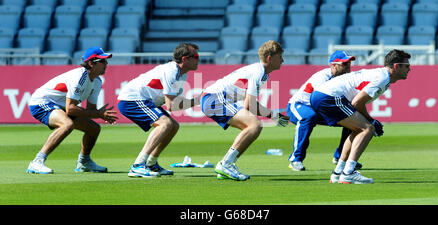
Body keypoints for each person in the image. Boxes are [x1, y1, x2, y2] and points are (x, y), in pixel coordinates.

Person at [310, 49, 411, 184]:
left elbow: (357, 102)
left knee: (359, 129)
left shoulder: (381, 75)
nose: (409, 69)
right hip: (328, 96)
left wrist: (369, 120)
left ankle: (338, 172)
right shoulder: (382, 77)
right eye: (407, 66)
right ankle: (349, 172)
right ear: (396, 66)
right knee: (367, 129)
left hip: (321, 95)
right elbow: (357, 102)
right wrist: (371, 121)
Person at [200, 40, 289, 181]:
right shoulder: (259, 72)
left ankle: (228, 166)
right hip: (215, 99)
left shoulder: (262, 72)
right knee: (254, 125)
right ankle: (226, 164)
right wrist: (274, 115)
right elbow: (250, 106)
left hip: (213, 99)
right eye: (280, 57)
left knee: (251, 126)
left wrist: (274, 115)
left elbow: (251, 104)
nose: (283, 60)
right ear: (270, 58)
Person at [27, 47, 118, 174]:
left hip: (61, 106)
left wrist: (100, 115)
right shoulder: (80, 77)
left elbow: (90, 110)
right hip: (41, 102)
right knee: (67, 125)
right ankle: (37, 162)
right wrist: (98, 113)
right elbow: (70, 109)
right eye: (102, 61)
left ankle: (84, 163)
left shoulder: (97, 81)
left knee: (94, 128)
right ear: (91, 63)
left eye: (106, 61)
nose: (106, 64)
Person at [117, 43, 201, 178]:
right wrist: (196, 101)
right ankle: (137, 165)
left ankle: (151, 163)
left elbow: (175, 103)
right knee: (165, 124)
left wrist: (196, 101)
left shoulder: (181, 74)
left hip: (143, 100)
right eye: (196, 56)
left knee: (173, 126)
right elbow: (171, 105)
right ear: (185, 59)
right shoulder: (172, 71)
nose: (199, 59)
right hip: (130, 99)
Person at [287, 50, 357, 171]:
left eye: (349, 63)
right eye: (345, 64)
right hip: (299, 105)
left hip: (320, 109)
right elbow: (316, 101)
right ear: (334, 65)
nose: (348, 67)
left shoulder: (347, 79)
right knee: (308, 117)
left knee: (354, 121)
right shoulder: (322, 77)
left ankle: (341, 157)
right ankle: (296, 159)